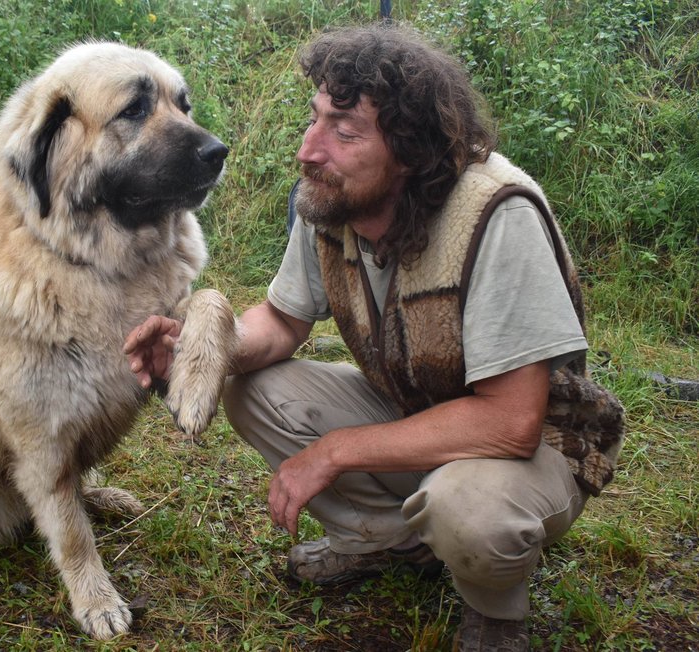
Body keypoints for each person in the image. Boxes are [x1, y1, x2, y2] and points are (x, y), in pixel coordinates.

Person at [124, 22, 624, 652]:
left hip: (536, 446)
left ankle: (495, 613)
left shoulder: (497, 214)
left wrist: (335, 450)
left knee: (468, 511)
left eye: (345, 131)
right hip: (422, 412)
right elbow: (280, 324)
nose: (309, 150)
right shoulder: (334, 202)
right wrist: (204, 348)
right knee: (253, 386)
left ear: (410, 154)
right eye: (315, 119)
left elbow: (511, 422)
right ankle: (392, 543)